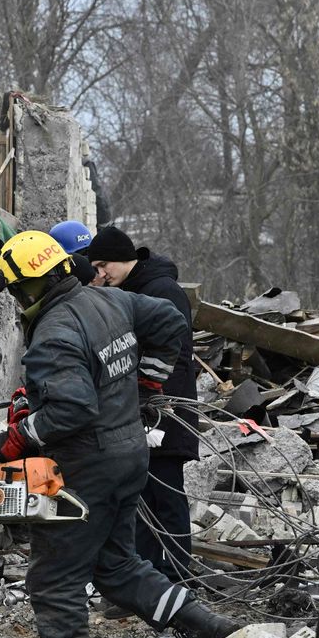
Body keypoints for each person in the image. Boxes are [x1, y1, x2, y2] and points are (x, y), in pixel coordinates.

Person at [0, 229, 238, 638]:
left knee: (55, 576)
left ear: (29, 286)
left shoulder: (53, 332)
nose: (16, 299)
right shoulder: (109, 299)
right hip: (130, 455)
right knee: (118, 566)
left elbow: (73, 409)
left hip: (86, 465)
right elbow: (171, 320)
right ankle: (212, 627)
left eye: (16, 289)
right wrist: (148, 380)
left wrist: (18, 437)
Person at [86, 224, 198, 581]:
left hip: (165, 412)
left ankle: (178, 576)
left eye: (104, 265)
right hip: (141, 411)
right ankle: (149, 578)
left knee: (167, 496)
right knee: (143, 500)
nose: (101, 273)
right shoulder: (135, 289)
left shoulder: (161, 290)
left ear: (123, 258)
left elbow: (174, 354)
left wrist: (153, 404)